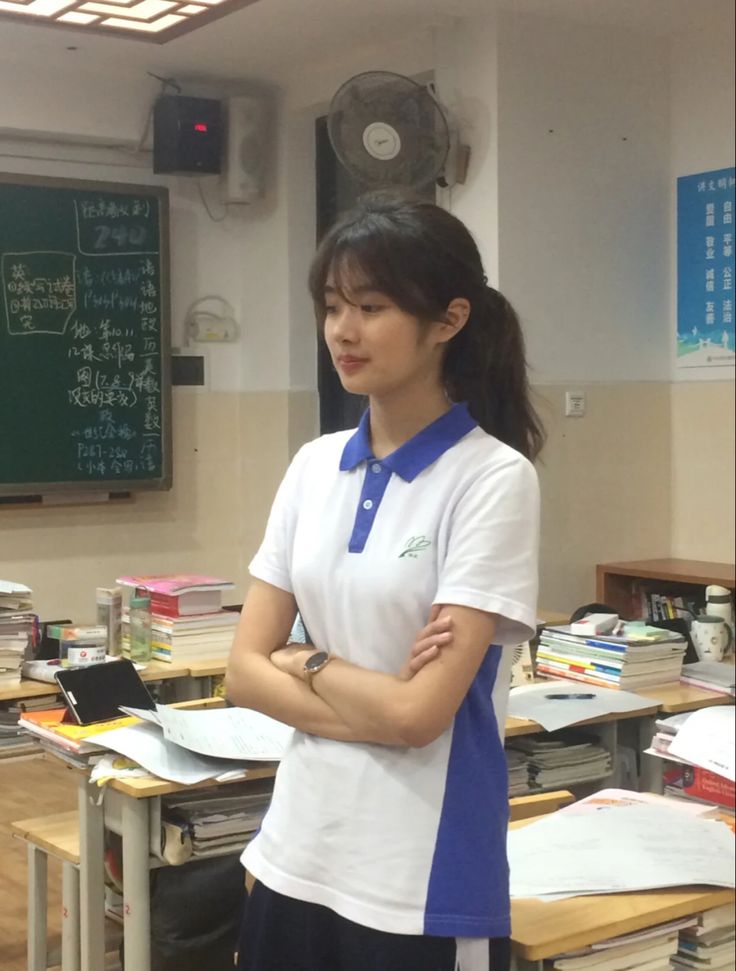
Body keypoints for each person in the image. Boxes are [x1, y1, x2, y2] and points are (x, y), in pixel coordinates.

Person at [225, 191, 544, 971]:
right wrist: (377, 701)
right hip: (296, 851)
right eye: (333, 304)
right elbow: (240, 672)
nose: (343, 328)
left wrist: (307, 660)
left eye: (371, 305)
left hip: (420, 875)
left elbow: (420, 716)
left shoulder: (494, 479)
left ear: (449, 320)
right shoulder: (312, 465)